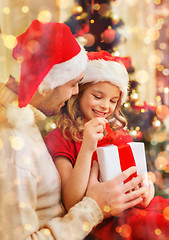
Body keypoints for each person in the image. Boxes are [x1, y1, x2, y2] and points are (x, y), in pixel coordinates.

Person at [0, 20, 145, 240]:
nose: (75, 92)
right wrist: (94, 207)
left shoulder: (23, 123)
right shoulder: (14, 148)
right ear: (48, 83)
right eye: (72, 84)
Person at [45, 51, 169, 240]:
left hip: (132, 209)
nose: (105, 106)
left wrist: (147, 191)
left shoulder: (118, 134)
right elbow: (72, 202)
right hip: (103, 221)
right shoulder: (62, 137)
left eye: (113, 101)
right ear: (78, 93)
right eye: (97, 96)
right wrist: (87, 146)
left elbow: (137, 177)